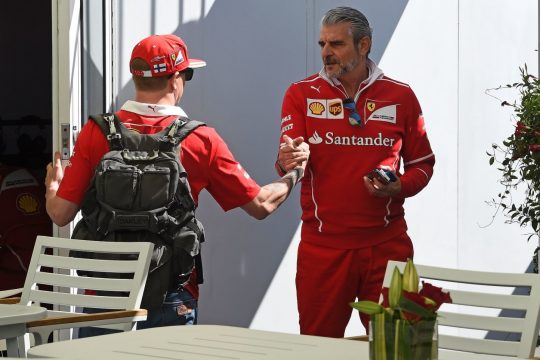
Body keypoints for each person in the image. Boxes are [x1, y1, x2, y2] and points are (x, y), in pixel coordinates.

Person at [45, 34, 309, 330]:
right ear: (174, 80)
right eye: (187, 74)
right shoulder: (200, 138)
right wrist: (295, 172)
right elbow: (261, 204)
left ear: (135, 77)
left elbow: (60, 213)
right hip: (171, 294)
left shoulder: (96, 132)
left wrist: (52, 188)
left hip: (105, 296)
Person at [276, 7, 435, 337]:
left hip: (388, 245)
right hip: (324, 249)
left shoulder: (400, 95)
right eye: (322, 44)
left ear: (364, 45)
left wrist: (398, 187)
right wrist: (291, 157)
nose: (326, 53)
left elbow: (422, 165)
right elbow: (286, 159)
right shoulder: (301, 94)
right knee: (318, 348)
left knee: (399, 346)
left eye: (336, 44)